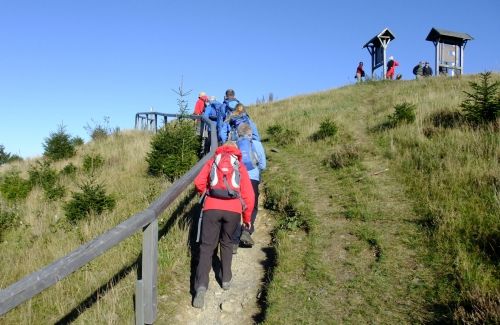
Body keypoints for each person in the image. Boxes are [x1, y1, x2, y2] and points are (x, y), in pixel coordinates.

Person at [192, 142, 255, 308]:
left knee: (206, 248)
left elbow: (198, 182)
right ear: (236, 150)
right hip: (233, 209)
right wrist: (247, 218)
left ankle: (201, 287)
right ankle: (226, 279)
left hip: (211, 207)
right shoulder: (239, 164)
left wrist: (206, 194)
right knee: (227, 244)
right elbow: (249, 194)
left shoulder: (213, 160)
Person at [232, 123, 266, 253]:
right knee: (252, 205)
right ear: (250, 134)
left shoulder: (234, 144)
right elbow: (263, 165)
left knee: (236, 206)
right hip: (253, 178)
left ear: (238, 133)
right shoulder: (256, 144)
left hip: (237, 178)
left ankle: (234, 240)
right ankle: (247, 230)